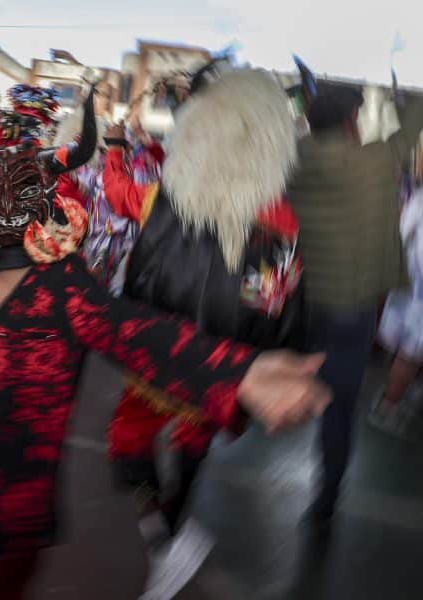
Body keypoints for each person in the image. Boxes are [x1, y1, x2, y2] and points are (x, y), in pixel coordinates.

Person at [0, 80, 330, 600]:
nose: (2, 211)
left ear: (47, 209)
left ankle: (164, 525)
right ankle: (165, 522)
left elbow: (137, 333)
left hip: (10, 518)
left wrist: (240, 372)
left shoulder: (63, 289)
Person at [102, 68, 306, 598]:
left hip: (159, 353)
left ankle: (160, 531)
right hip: (222, 365)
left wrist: (112, 147)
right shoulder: (281, 221)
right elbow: (277, 303)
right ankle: (170, 526)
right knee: (192, 445)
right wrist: (263, 362)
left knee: (129, 441)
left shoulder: (163, 197)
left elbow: (117, 192)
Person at [287, 64, 423, 534]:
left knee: (304, 376)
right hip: (355, 305)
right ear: (352, 116)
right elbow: (412, 126)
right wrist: (403, 94)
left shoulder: (293, 161)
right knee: (339, 403)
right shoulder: (375, 162)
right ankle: (326, 495)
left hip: (304, 300)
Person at [370, 185, 423, 438]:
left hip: (410, 290)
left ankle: (397, 393)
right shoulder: (419, 200)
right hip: (417, 296)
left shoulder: (418, 199)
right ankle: (387, 407)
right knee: (409, 355)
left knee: (407, 352)